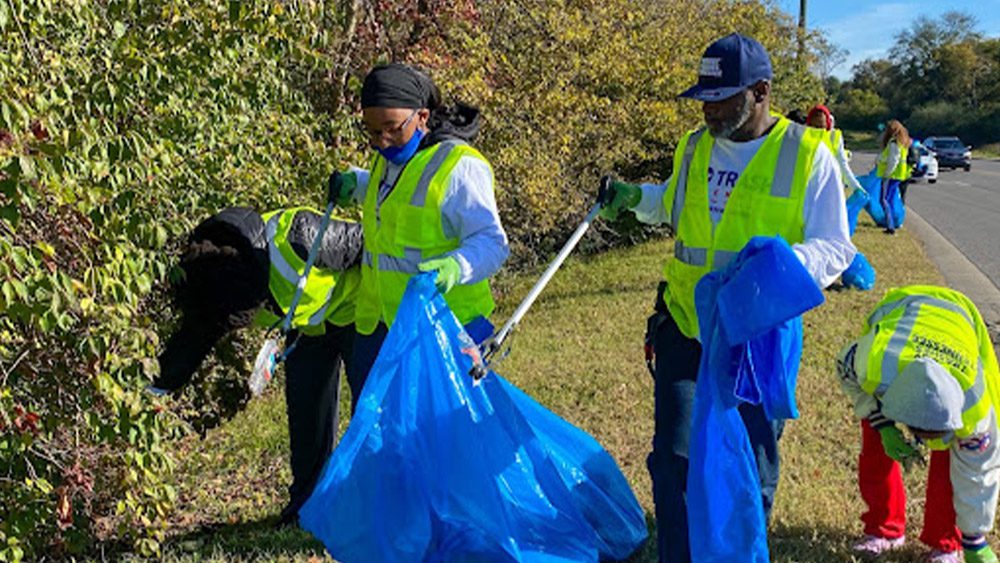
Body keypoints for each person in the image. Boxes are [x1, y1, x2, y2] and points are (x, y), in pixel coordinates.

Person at [599, 33, 856, 561]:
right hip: (686, 326)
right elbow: (670, 205)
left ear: (761, 91)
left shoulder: (808, 155)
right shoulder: (694, 146)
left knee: (747, 465)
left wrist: (782, 264)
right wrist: (634, 200)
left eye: (722, 99)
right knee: (674, 460)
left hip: (755, 340)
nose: (709, 110)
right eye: (704, 99)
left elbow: (837, 247)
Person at [148, 205, 363, 527]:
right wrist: (146, 390)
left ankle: (377, 510)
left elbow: (372, 246)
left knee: (373, 414)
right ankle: (306, 511)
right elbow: (190, 345)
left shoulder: (300, 235)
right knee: (307, 418)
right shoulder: (213, 282)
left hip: (364, 318)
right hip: (308, 331)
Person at [326, 63, 509, 393]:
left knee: (442, 436)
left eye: (391, 128)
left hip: (446, 329)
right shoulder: (389, 156)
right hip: (382, 326)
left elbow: (493, 241)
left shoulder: (459, 167)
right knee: (379, 434)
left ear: (422, 117)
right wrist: (356, 184)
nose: (381, 140)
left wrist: (457, 266)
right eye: (371, 131)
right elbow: (397, 197)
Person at [836, 285, 1000, 563]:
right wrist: (884, 425)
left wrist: (975, 540)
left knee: (952, 461)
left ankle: (947, 543)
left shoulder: (975, 407)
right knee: (875, 441)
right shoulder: (873, 365)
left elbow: (979, 472)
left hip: (961, 316)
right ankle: (884, 529)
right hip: (905, 306)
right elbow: (846, 371)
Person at [806, 104, 867, 198]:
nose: (818, 130)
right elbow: (843, 165)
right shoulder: (832, 137)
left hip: (818, 186)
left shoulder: (805, 136)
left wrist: (856, 186)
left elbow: (843, 165)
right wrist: (856, 186)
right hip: (824, 186)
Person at [876, 119, 911, 234]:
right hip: (898, 175)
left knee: (885, 200)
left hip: (891, 176)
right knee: (890, 199)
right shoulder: (903, 143)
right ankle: (892, 223)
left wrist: (886, 174)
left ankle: (890, 226)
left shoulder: (894, 143)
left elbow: (892, 160)